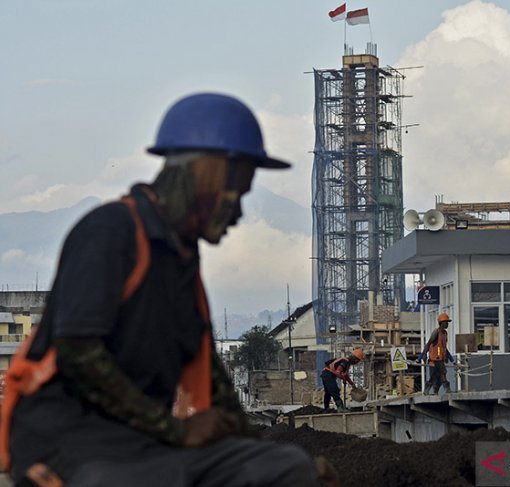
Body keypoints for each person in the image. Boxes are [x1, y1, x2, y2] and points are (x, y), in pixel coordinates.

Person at [1, 93, 319, 486]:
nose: (238, 212)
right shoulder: (110, 232)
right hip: (69, 449)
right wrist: (176, 432)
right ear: (205, 173)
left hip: (142, 447)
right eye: (236, 188)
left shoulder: (181, 266)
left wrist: (264, 454)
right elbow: (78, 352)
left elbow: (215, 387)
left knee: (285, 469)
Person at [419, 313, 455, 395]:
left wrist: (452, 360)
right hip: (433, 359)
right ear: (441, 323)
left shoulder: (445, 334)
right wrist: (423, 355)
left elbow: (444, 348)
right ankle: (427, 390)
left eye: (448, 322)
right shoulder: (436, 332)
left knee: (442, 374)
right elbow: (428, 344)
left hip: (440, 359)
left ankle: (443, 390)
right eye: (446, 322)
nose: (447, 324)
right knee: (434, 376)